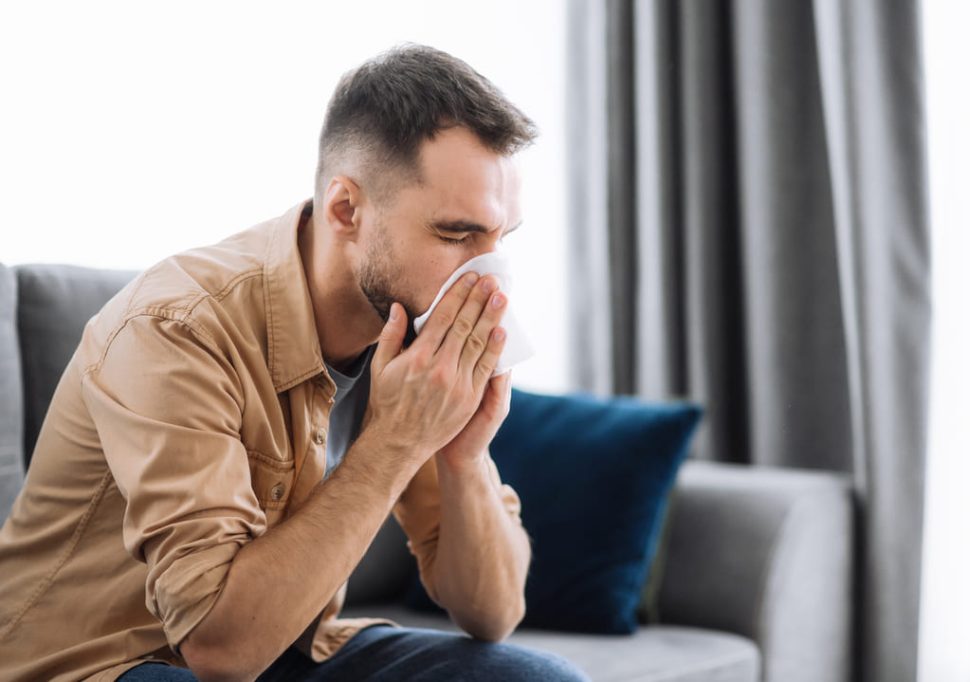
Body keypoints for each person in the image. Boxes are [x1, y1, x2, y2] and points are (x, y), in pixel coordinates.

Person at [0, 44, 590, 682]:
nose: (489, 280)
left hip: (289, 649)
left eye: (502, 239)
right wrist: (396, 440)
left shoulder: (412, 331)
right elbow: (218, 652)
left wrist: (461, 454)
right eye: (454, 235)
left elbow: (493, 614)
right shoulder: (177, 326)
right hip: (105, 662)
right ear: (346, 210)